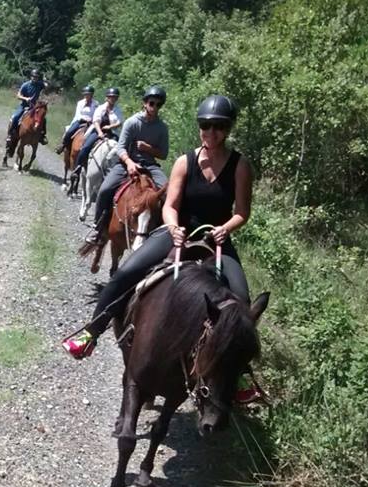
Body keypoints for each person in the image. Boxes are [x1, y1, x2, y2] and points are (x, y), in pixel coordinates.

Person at [62, 95, 255, 378]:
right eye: (205, 125)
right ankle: (92, 331)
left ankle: (236, 377)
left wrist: (227, 227)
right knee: (127, 272)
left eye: (218, 126)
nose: (211, 132)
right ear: (199, 126)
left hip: (217, 240)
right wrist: (174, 227)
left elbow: (242, 211)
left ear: (228, 128)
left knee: (241, 302)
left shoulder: (240, 166)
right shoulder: (184, 162)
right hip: (178, 232)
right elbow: (170, 205)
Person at [83, 86, 169, 245]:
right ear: (144, 103)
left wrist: (148, 148)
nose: (154, 107)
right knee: (105, 189)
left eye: (158, 104)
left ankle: (165, 234)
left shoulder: (162, 128)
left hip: (150, 165)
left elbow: (163, 154)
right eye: (151, 103)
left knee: (169, 193)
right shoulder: (131, 122)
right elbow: (121, 147)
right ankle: (98, 228)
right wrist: (129, 162)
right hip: (126, 163)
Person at [72, 87, 123, 173]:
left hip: (112, 133)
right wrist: (99, 132)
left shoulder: (118, 110)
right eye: (111, 97)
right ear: (107, 97)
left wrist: (110, 127)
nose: (113, 99)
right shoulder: (100, 108)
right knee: (85, 147)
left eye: (115, 97)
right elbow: (96, 121)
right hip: (98, 130)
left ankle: (118, 172)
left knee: (120, 150)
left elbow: (120, 122)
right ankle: (78, 168)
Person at [6, 68, 48, 147]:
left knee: (43, 119)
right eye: (33, 76)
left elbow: (47, 87)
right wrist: (26, 98)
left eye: (36, 77)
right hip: (24, 105)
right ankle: (10, 135)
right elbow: (18, 95)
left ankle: (42, 136)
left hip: (35, 107)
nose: (35, 78)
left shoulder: (39, 84)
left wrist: (45, 81)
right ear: (31, 76)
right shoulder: (25, 85)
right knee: (15, 117)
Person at [56, 85, 99, 154]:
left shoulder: (96, 104)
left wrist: (92, 120)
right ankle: (63, 145)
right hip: (80, 121)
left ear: (92, 95)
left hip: (91, 123)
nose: (87, 96)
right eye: (86, 94)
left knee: (96, 135)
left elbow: (97, 114)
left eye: (89, 94)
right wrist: (83, 119)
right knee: (70, 131)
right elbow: (78, 114)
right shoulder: (80, 103)